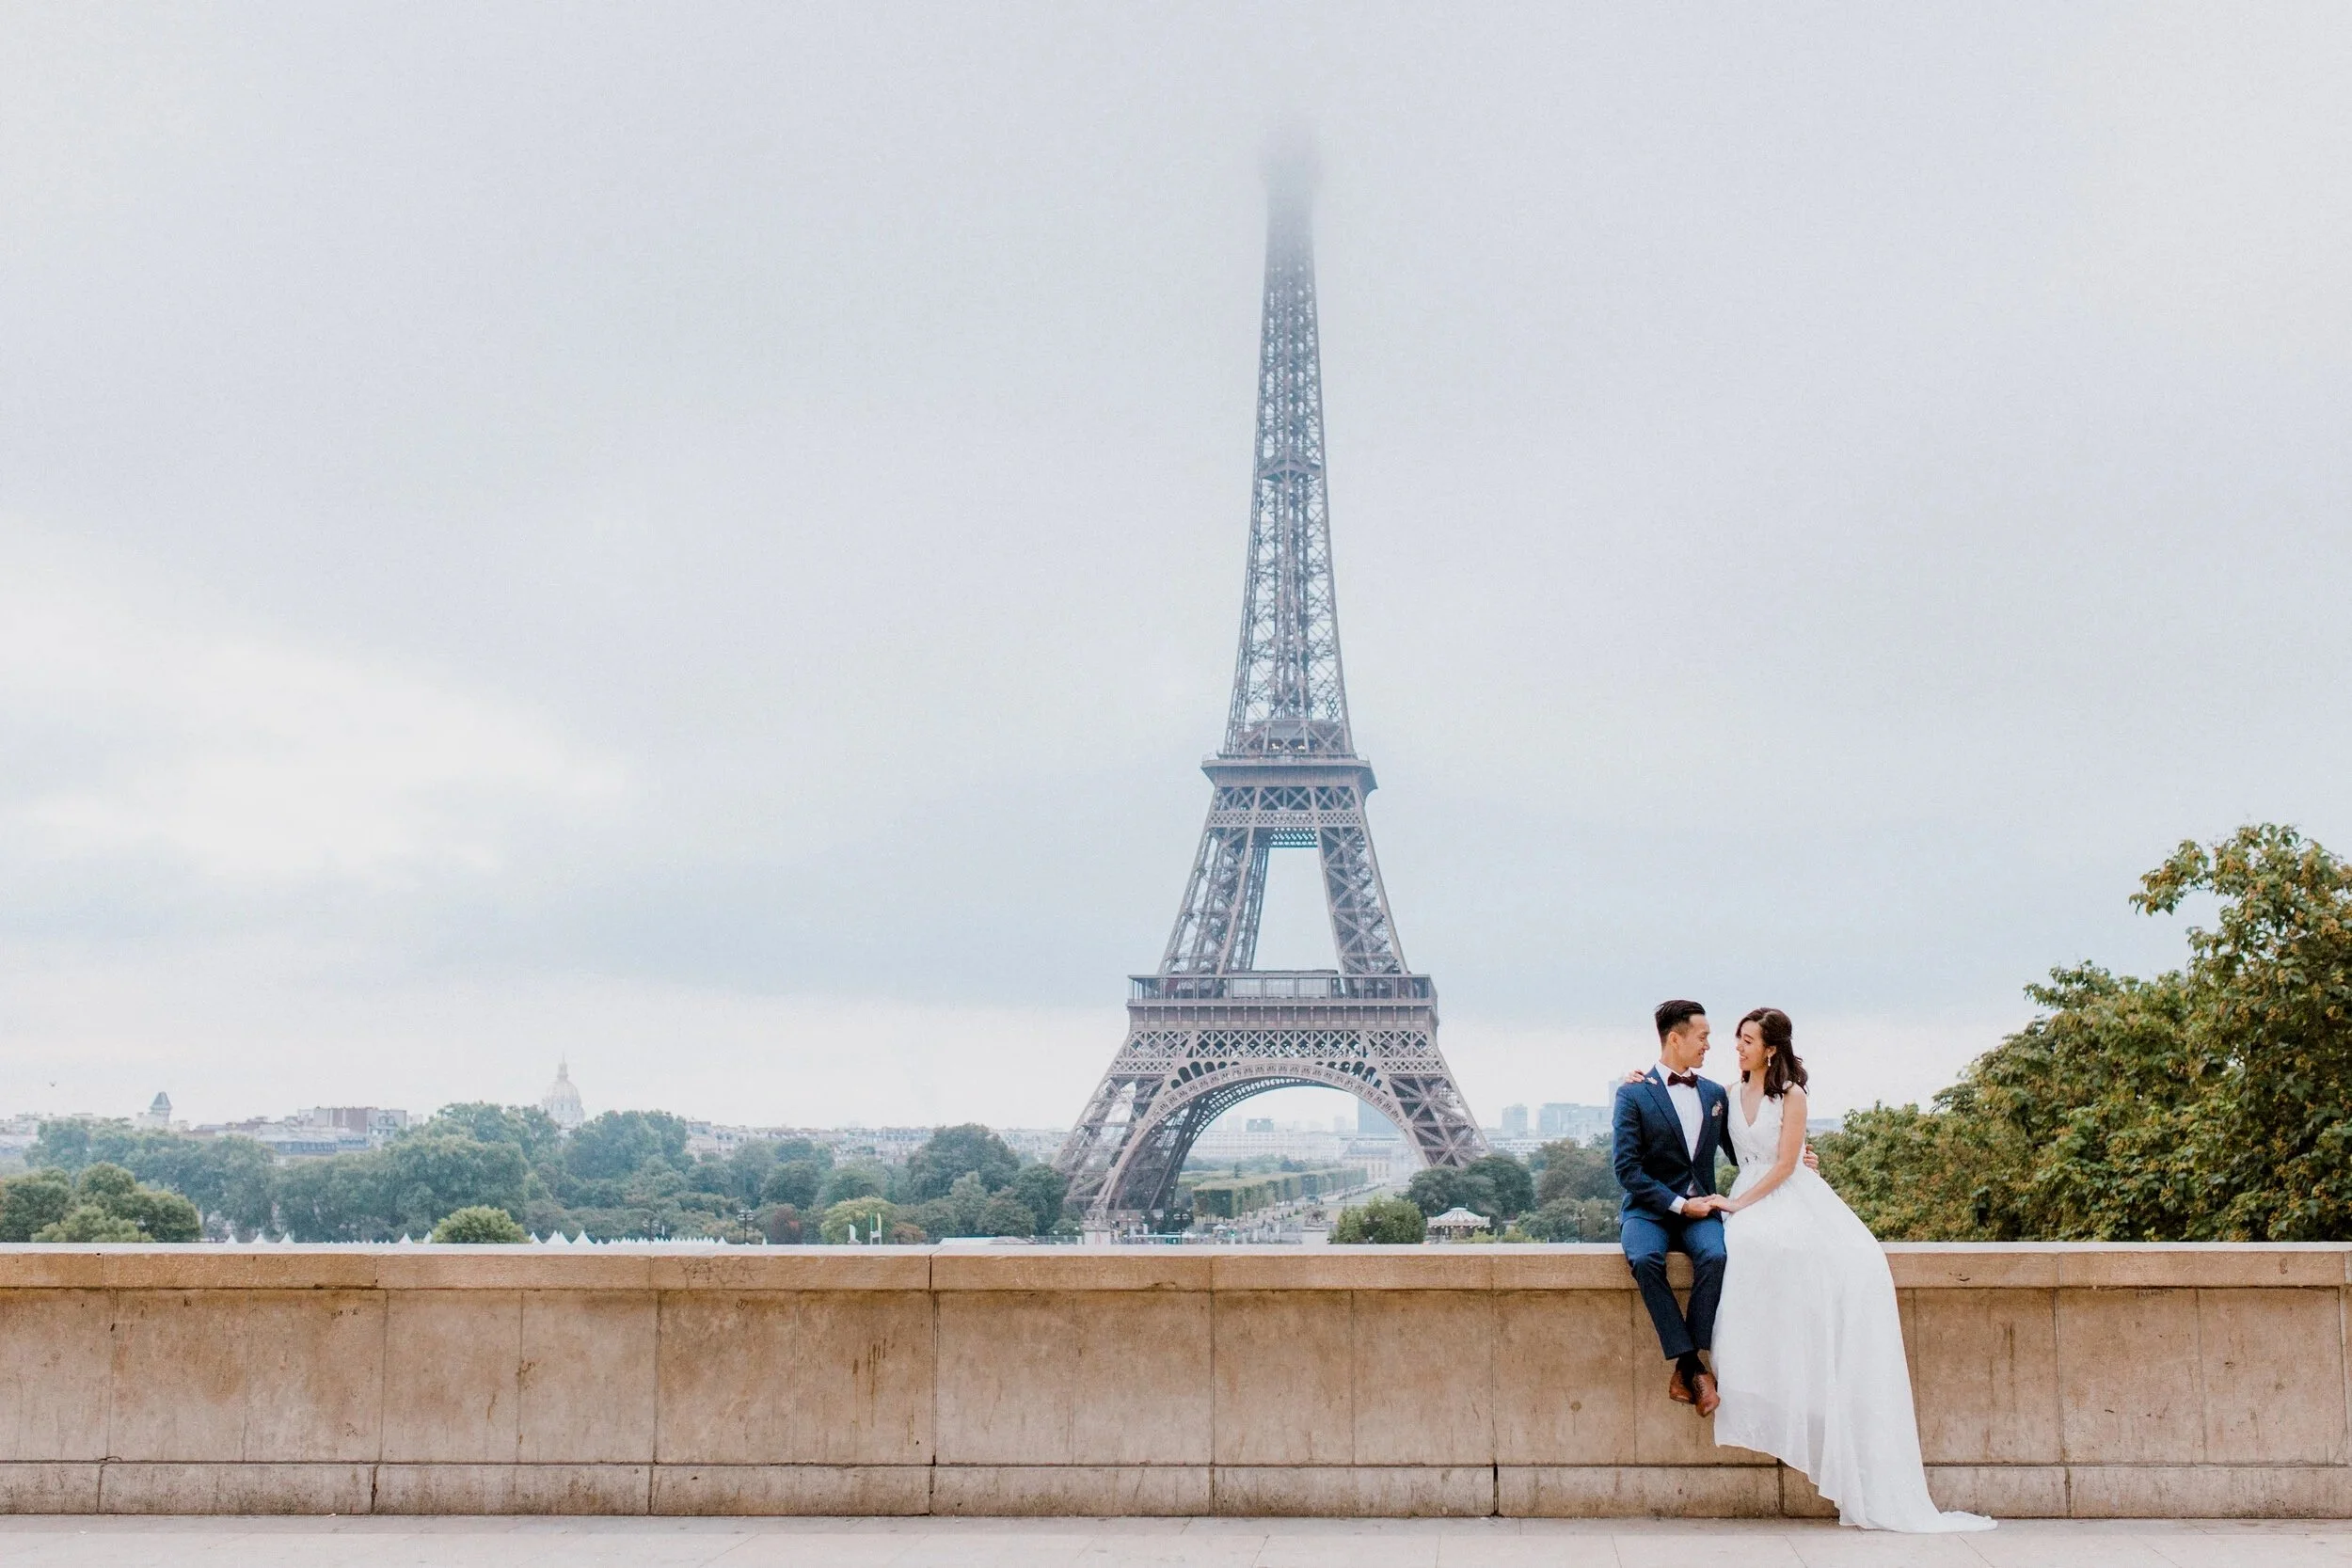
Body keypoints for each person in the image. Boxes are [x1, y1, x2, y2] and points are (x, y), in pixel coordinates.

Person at [1707, 1006, 1993, 1533]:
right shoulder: (1726, 1091)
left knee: (1789, 1254)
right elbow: (1692, 1111)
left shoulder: (1792, 1097)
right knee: (1746, 1255)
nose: (1738, 1047)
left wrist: (1739, 1205)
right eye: (1737, 1039)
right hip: (1746, 1191)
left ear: (1771, 1048)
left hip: (1778, 1194)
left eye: (1747, 1040)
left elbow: (1788, 1164)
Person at [1613, 1000, 1732, 1415]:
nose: (1708, 1047)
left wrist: (1800, 1158)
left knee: (1716, 1256)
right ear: (1675, 1038)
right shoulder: (1632, 1094)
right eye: (1703, 1038)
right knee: (1645, 1259)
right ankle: (1692, 1365)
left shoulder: (1716, 1094)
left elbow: (1746, 1150)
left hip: (1703, 1205)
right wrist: (1681, 1205)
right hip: (1649, 1208)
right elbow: (1626, 1169)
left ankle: (1687, 1367)